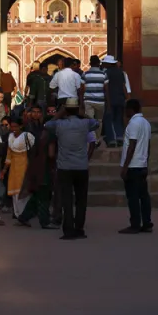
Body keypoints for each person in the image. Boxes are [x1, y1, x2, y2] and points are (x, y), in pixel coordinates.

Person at [45, 98, 98, 240]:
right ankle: (79, 229)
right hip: (81, 166)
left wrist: (60, 113)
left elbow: (47, 124)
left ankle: (68, 230)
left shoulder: (59, 124)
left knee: (66, 199)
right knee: (81, 200)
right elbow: (96, 124)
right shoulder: (85, 123)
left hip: (65, 167)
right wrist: (83, 114)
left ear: (66, 110)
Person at [119, 99, 152, 235]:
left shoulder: (133, 124)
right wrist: (146, 161)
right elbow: (148, 145)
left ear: (130, 109)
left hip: (133, 165)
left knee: (132, 196)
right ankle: (147, 222)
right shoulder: (146, 123)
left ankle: (135, 224)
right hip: (142, 164)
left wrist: (125, 167)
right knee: (144, 196)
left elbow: (132, 145)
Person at [0, 115, 35, 219]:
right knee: (15, 191)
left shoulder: (27, 136)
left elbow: (34, 151)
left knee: (23, 190)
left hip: (25, 164)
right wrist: (4, 170)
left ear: (21, 126)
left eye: (16, 127)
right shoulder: (10, 137)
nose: (14, 129)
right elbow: (9, 155)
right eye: (12, 127)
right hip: (14, 167)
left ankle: (24, 214)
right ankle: (18, 213)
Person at [83, 54, 110, 144]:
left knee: (90, 121)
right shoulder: (103, 74)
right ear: (99, 63)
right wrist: (108, 102)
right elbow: (106, 90)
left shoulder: (85, 74)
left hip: (88, 101)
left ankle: (92, 140)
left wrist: (81, 102)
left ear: (90, 63)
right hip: (100, 101)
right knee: (99, 121)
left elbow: (81, 89)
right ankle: (97, 139)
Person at [102, 55, 127, 147]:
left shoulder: (106, 73)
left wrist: (107, 100)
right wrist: (126, 97)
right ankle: (119, 136)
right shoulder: (121, 72)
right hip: (120, 98)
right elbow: (124, 86)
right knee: (118, 118)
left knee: (109, 119)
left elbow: (106, 88)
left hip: (111, 99)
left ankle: (111, 139)